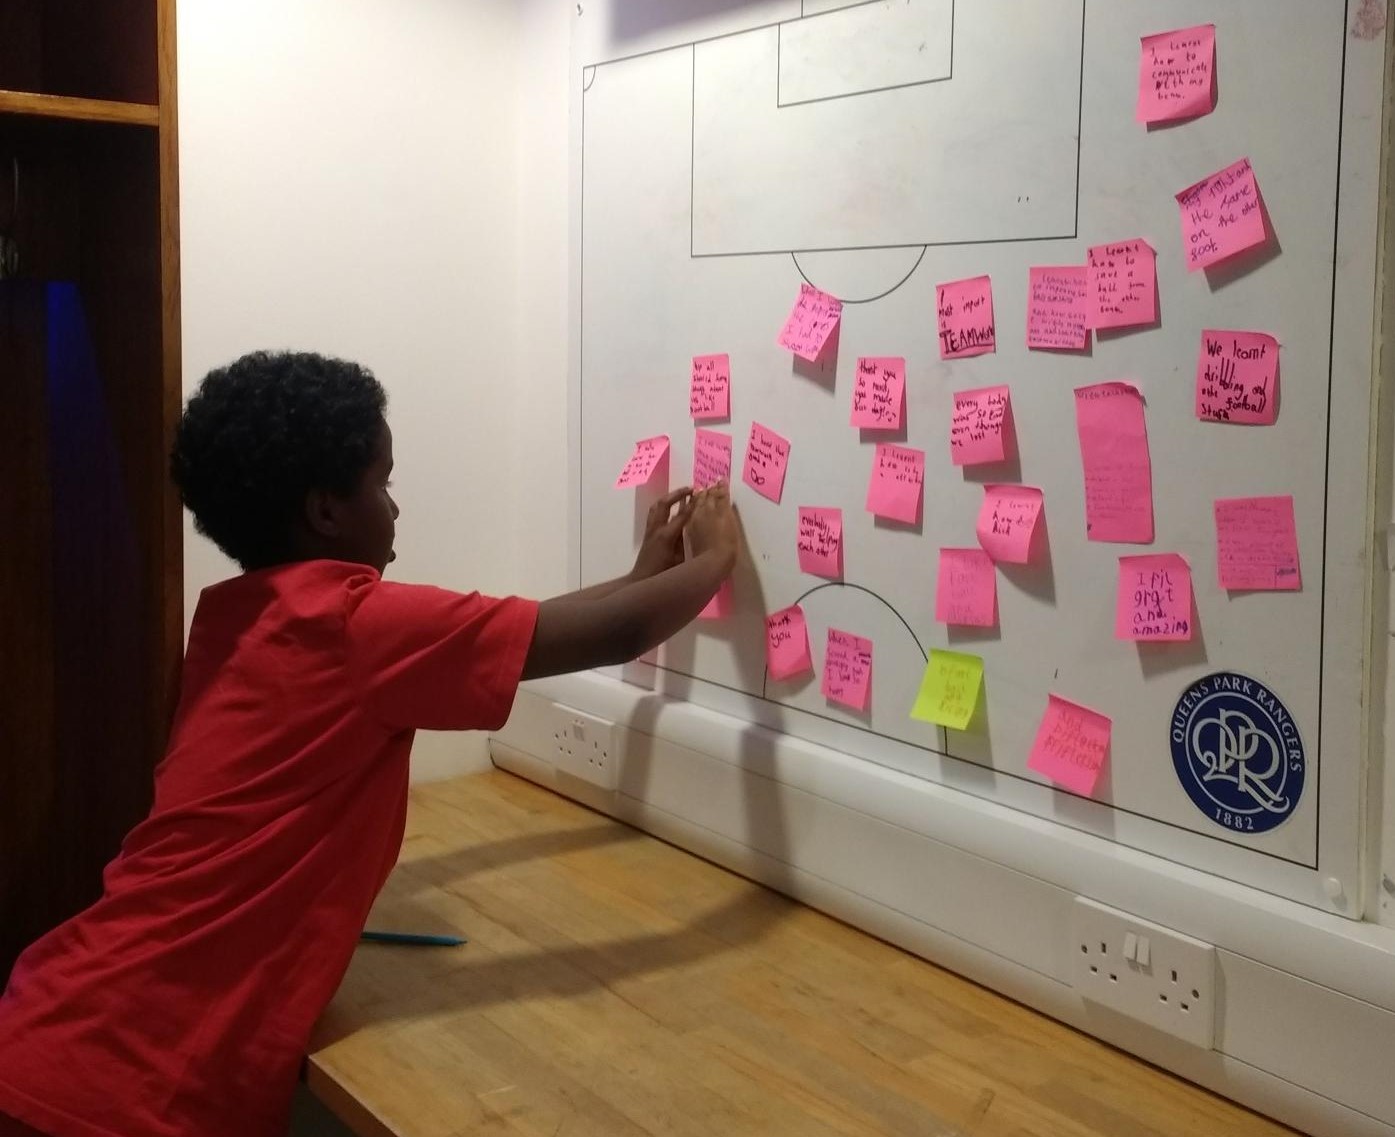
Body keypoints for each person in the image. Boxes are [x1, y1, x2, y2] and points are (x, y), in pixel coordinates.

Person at [0, 350, 739, 1137]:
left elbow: (527, 626)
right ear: (326, 511)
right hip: (122, 1090)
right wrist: (719, 558)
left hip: (58, 1026)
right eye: (383, 484)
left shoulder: (239, 618)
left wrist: (641, 571)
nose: (396, 509)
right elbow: (614, 634)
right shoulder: (353, 625)